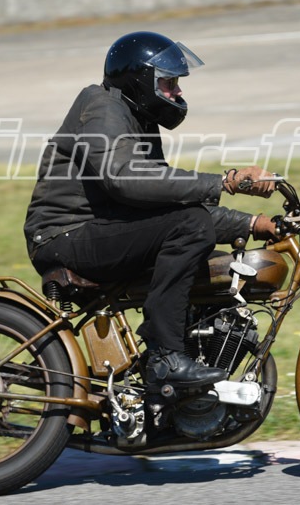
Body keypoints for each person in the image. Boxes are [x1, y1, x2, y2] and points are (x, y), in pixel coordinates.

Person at [24, 31, 278, 389]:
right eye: (169, 83)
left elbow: (166, 202)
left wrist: (255, 224)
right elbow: (125, 178)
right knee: (191, 227)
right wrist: (226, 181)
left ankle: (181, 362)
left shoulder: (137, 119)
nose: (177, 92)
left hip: (100, 230)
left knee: (205, 252)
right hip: (64, 236)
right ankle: (166, 356)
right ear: (140, 80)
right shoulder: (102, 107)